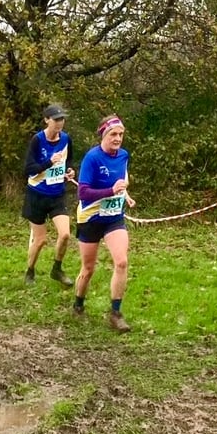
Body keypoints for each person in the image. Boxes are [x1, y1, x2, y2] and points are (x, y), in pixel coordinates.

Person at [72, 115, 136, 333]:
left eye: (121, 134)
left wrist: (125, 195)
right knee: (88, 269)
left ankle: (115, 314)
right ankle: (78, 304)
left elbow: (121, 181)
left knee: (121, 263)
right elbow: (83, 192)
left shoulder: (124, 156)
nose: (118, 138)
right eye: (113, 134)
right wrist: (111, 191)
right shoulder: (92, 158)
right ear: (103, 135)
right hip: (90, 219)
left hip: (113, 219)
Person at [22, 104, 76, 287]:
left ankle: (57, 269)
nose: (60, 123)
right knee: (40, 240)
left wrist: (69, 171)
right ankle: (30, 270)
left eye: (62, 119)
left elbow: (68, 160)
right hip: (36, 195)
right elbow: (29, 169)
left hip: (56, 194)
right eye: (56, 119)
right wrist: (48, 162)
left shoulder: (66, 139)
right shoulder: (37, 140)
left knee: (65, 234)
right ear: (46, 120)